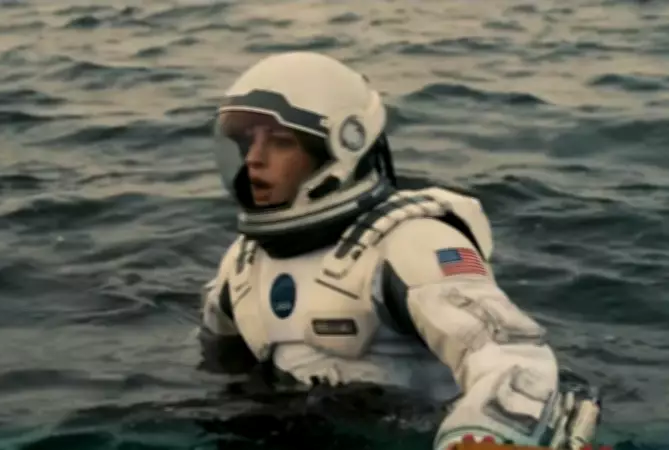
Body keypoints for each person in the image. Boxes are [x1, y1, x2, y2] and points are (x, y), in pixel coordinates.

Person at [197, 51, 603, 450]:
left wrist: (484, 436)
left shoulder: (410, 242)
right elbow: (222, 371)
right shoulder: (242, 262)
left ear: (339, 150)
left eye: (281, 143)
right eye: (246, 142)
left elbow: (508, 354)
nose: (254, 159)